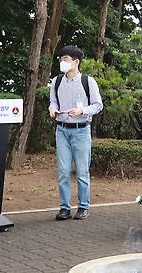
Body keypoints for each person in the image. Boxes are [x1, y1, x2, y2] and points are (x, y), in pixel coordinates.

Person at [48, 45, 103, 221]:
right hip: (62, 130)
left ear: (76, 62)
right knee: (63, 171)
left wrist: (81, 111)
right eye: (61, 59)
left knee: (81, 171)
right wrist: (52, 108)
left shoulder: (88, 81)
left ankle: (83, 207)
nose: (62, 62)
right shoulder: (56, 81)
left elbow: (98, 105)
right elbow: (53, 101)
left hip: (81, 130)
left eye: (66, 59)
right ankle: (64, 208)